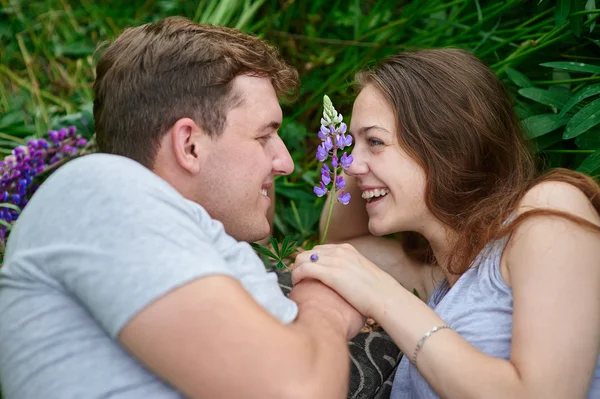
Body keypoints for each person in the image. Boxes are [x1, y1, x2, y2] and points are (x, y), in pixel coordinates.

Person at [0, 17, 366, 399]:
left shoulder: (165, 231)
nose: (285, 162)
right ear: (190, 145)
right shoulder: (104, 191)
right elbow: (298, 391)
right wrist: (327, 310)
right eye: (264, 136)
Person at [293, 48, 600, 398]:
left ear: (445, 142)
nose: (352, 164)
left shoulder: (548, 212)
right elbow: (337, 245)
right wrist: (349, 155)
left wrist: (384, 297)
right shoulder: (439, 277)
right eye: (353, 146)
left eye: (376, 141)